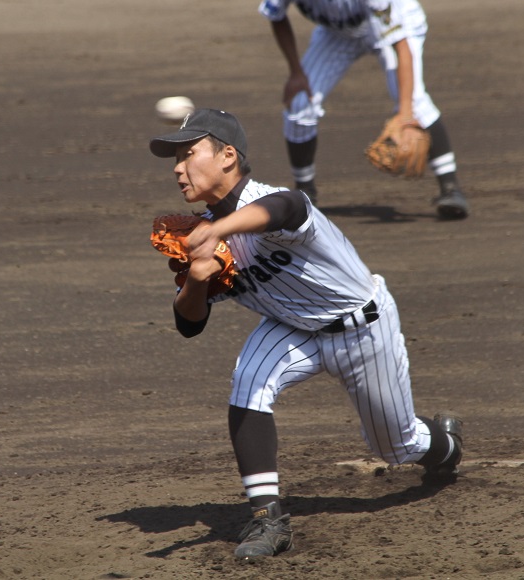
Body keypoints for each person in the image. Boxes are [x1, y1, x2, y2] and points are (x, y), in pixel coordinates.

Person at [149, 107, 463, 559]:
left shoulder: (267, 202)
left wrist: (217, 228)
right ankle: (267, 521)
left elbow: (289, 206)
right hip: (293, 326)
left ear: (228, 156)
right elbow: (188, 324)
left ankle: (445, 445)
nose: (178, 167)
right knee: (249, 382)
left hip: (362, 327)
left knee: (397, 445)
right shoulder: (203, 236)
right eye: (174, 158)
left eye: (188, 153)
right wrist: (197, 278)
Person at [260, 0, 470, 219]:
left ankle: (451, 189)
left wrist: (405, 112)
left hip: (397, 26)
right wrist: (295, 71)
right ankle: (306, 195)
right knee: (298, 105)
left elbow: (401, 45)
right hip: (338, 34)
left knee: (414, 102)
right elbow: (276, 17)